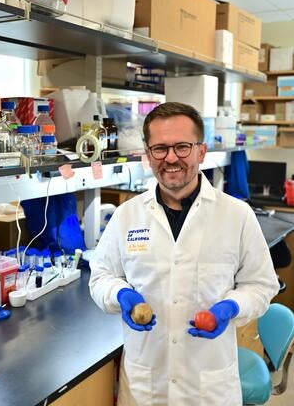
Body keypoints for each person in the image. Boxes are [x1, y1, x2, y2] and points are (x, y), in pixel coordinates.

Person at [89, 102, 279, 406]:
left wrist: (231, 307)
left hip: (209, 387)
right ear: (148, 156)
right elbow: (100, 277)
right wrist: (120, 295)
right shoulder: (126, 217)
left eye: (182, 147)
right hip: (145, 387)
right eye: (160, 149)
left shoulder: (237, 215)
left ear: (201, 152)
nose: (171, 158)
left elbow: (262, 285)